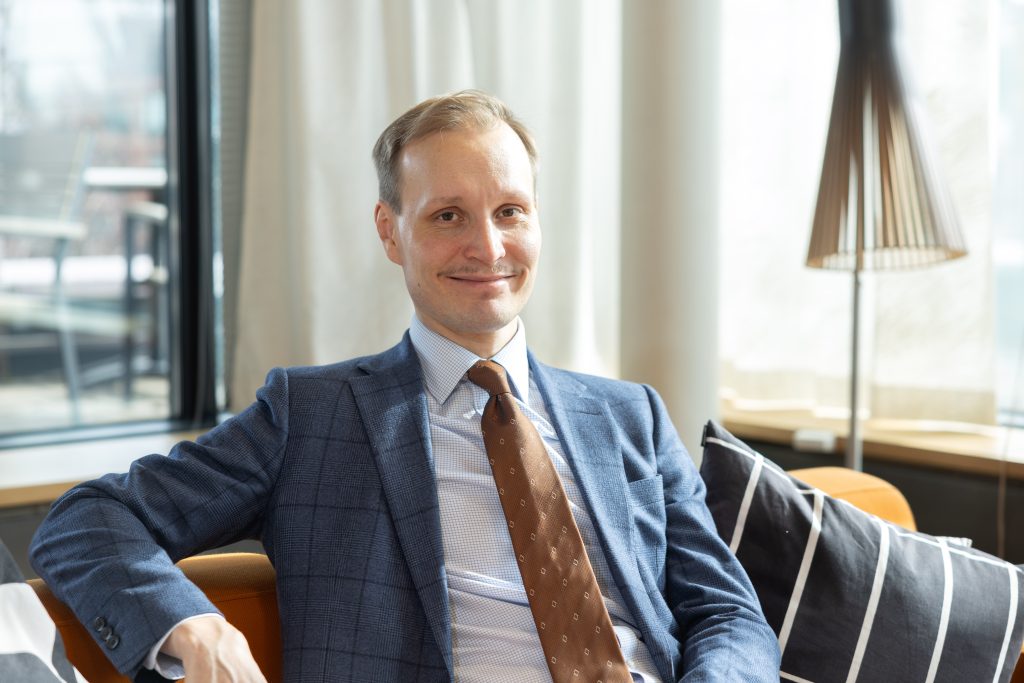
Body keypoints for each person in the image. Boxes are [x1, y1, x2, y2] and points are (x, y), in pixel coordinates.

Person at [31, 90, 781, 682]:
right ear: (390, 231)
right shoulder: (311, 416)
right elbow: (86, 519)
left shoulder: (629, 417)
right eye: (448, 215)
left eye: (510, 211)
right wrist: (193, 626)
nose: (487, 247)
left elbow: (726, 610)